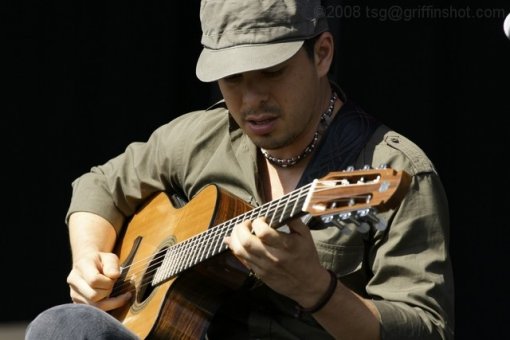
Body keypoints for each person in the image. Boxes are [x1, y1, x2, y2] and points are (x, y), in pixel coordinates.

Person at [25, 0, 454, 339]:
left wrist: (316, 290)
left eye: (271, 73)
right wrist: (89, 263)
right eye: (232, 79)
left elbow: (426, 331)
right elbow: (99, 184)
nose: (250, 101)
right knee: (64, 326)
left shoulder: (396, 170)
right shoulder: (202, 136)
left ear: (321, 54)